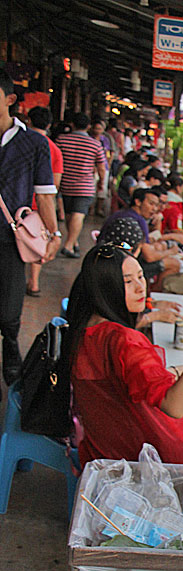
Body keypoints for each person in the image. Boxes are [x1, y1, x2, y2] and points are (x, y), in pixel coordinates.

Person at [62, 244, 183, 468]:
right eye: (128, 281)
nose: (140, 288)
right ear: (105, 287)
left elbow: (119, 380)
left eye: (141, 276)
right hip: (156, 462)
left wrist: (176, 371)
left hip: (108, 451)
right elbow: (174, 406)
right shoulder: (124, 340)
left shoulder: (85, 329)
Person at [0, 69, 62, 389]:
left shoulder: (34, 143)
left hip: (9, 238)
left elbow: (44, 194)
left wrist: (54, 234)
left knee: (8, 311)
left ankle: (11, 352)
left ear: (10, 99)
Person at [97, 188, 183, 287]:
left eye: (156, 205)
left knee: (159, 247)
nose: (154, 209)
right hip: (118, 267)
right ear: (138, 202)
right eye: (151, 204)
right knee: (174, 264)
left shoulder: (125, 213)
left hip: (105, 259)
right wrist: (171, 251)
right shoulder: (138, 220)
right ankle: (153, 295)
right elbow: (149, 257)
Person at [56, 112, 107, 257]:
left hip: (65, 183)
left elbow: (55, 160)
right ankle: (69, 245)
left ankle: (74, 241)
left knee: (69, 214)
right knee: (78, 215)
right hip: (84, 185)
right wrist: (101, 183)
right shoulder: (95, 144)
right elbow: (101, 167)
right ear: (89, 126)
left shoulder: (61, 140)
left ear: (72, 124)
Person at [26, 105, 64, 297]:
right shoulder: (54, 150)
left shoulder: (19, 143)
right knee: (36, 241)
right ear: (49, 125)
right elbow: (53, 187)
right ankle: (33, 282)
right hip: (39, 205)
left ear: (29, 121)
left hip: (14, 203)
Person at [89, 117, 113, 217]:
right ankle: (90, 208)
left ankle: (99, 208)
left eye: (99, 129)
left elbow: (110, 153)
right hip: (91, 167)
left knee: (102, 189)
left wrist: (108, 164)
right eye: (96, 128)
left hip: (104, 167)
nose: (97, 131)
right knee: (91, 188)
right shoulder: (90, 139)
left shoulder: (105, 140)